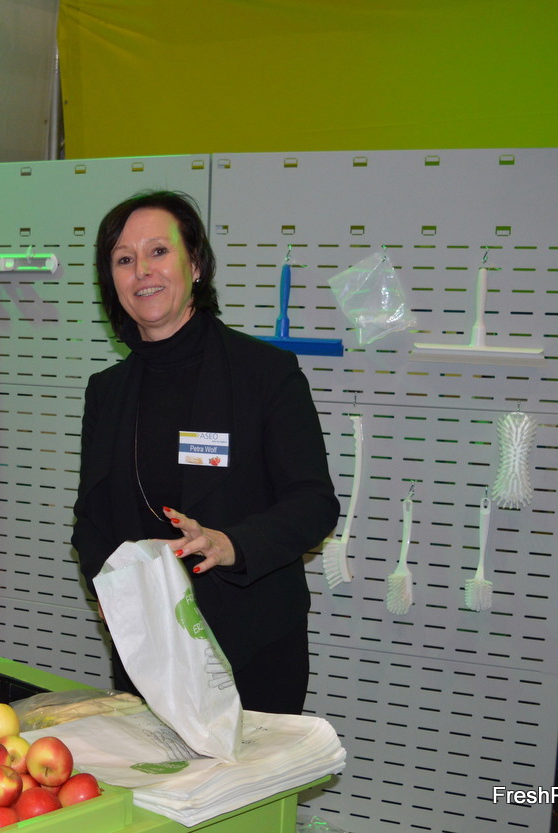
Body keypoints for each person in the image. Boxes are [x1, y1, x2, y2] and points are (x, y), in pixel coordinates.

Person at [72, 190, 340, 715]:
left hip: (252, 646)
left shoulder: (266, 374)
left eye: (158, 251)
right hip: (148, 649)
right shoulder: (107, 391)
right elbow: (92, 515)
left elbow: (314, 504)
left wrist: (231, 543)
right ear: (112, 282)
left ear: (194, 264)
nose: (142, 270)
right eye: (124, 259)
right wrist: (108, 588)